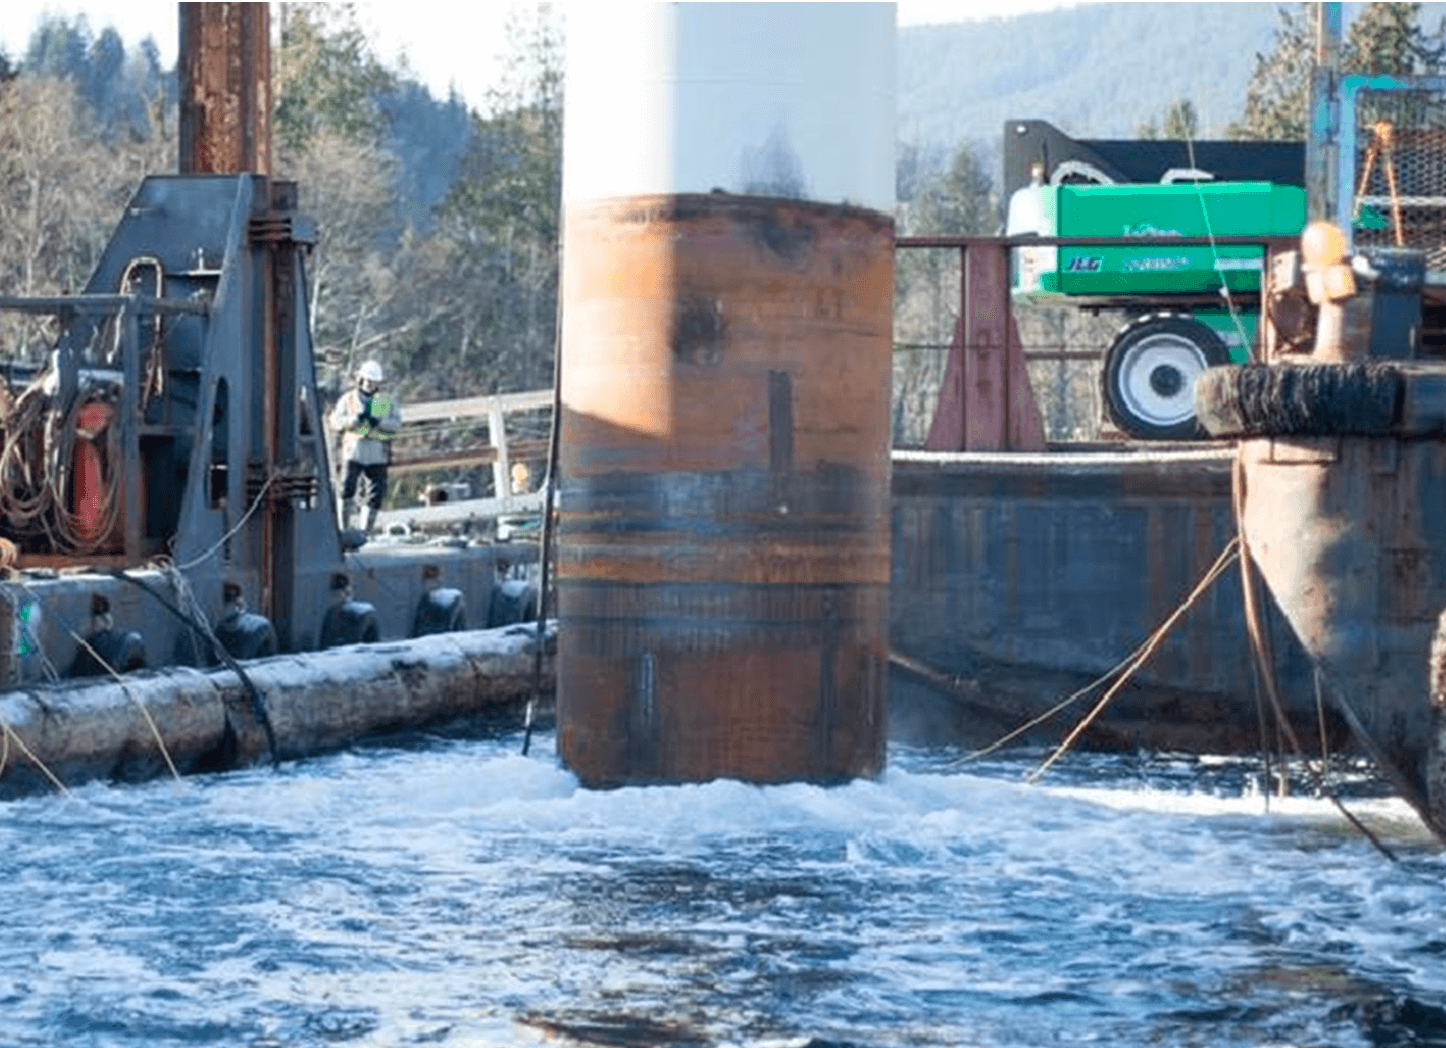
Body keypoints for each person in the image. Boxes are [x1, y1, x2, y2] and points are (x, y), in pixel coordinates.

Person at [329, 359, 402, 534]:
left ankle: (365, 532)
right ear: (360, 379)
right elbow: (335, 421)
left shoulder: (385, 402)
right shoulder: (347, 400)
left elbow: (396, 424)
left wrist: (381, 422)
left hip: (377, 453)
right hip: (354, 452)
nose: (369, 384)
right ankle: (343, 530)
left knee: (375, 494)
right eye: (367, 380)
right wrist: (353, 420)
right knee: (346, 489)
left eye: (373, 381)